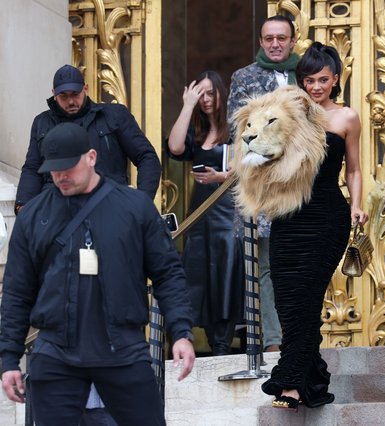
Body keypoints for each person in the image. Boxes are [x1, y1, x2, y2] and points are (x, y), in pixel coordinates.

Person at [0, 122, 195, 425]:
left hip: (122, 349)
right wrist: (8, 358)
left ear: (91, 157)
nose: (60, 176)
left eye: (68, 167)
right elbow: (16, 292)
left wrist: (181, 331)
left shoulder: (135, 208)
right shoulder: (34, 217)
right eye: (53, 170)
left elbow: (167, 273)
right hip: (55, 353)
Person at [260, 41, 368, 410]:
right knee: (290, 303)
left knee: (306, 299)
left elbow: (353, 169)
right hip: (286, 218)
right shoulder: (286, 114)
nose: (316, 87)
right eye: (309, 80)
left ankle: (289, 383)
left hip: (326, 219)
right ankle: (313, 380)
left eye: (323, 79)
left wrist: (357, 205)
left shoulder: (346, 118)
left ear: (336, 79)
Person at [227, 15, 300, 353]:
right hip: (265, 189)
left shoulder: (308, 74)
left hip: (304, 185)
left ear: (292, 41)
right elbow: (239, 133)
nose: (274, 44)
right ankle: (273, 340)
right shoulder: (243, 78)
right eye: (268, 38)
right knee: (266, 267)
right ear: (261, 40)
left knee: (301, 264)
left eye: (281, 38)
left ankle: (303, 334)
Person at [15, 64, 161, 214]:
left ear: (85, 89)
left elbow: (146, 157)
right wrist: (23, 206)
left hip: (109, 206)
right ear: (54, 94)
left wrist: (142, 201)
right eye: (64, 96)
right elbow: (32, 168)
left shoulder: (114, 116)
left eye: (75, 94)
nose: (71, 101)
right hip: (57, 210)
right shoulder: (42, 122)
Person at [167, 70, 244, 356]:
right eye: (202, 94)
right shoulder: (197, 131)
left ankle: (224, 342)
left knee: (225, 272)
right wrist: (187, 105)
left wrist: (220, 178)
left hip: (227, 211)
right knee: (202, 273)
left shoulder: (236, 126)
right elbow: (175, 147)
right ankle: (211, 341)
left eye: (211, 93)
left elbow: (245, 170)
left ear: (222, 94)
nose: (207, 99)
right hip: (199, 212)